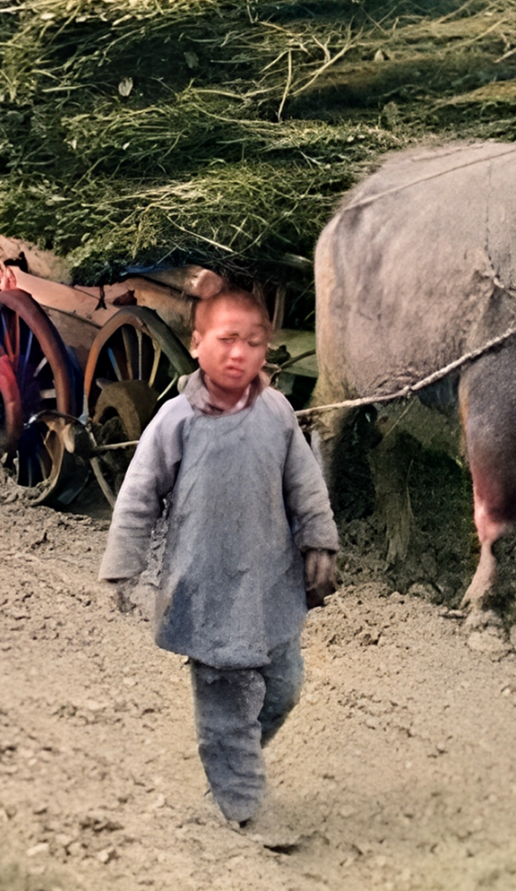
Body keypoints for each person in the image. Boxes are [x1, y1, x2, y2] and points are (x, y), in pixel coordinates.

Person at [98, 287, 338, 837]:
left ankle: (231, 768)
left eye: (253, 342)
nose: (239, 354)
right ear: (197, 343)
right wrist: (123, 568)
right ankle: (244, 805)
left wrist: (319, 543)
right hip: (206, 587)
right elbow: (138, 496)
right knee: (226, 705)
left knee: (283, 689)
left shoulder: (277, 412)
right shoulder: (175, 420)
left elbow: (306, 485)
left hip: (270, 584)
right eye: (227, 340)